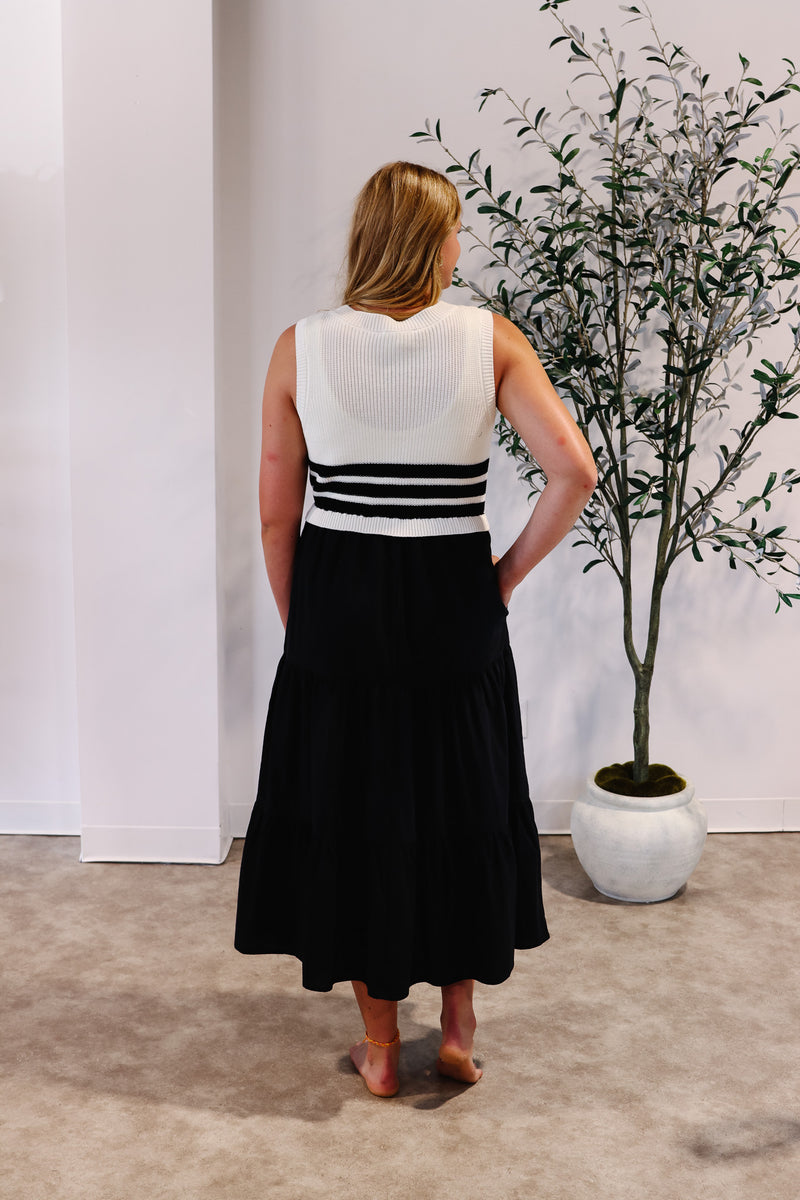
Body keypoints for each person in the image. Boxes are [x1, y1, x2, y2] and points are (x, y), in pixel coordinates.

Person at [234, 161, 597, 1098]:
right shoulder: (490, 340)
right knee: (460, 802)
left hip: (337, 599)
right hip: (451, 597)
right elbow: (575, 471)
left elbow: (276, 516)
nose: (461, 245)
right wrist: (502, 578)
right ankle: (460, 1030)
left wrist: (304, 621)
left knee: (353, 811)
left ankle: (382, 1046)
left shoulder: (299, 348)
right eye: (455, 230)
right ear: (433, 243)